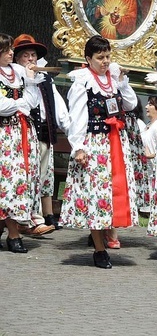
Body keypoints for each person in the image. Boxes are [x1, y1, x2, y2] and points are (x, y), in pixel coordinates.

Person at [62, 35, 139, 269]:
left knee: (111, 193)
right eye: (100, 57)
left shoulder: (114, 79)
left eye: (107, 56)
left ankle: (105, 235)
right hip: (94, 144)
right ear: (88, 58)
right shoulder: (83, 81)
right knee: (95, 195)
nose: (105, 61)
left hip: (115, 142)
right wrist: (78, 147)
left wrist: (124, 81)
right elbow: (76, 116)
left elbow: (130, 104)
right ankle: (98, 248)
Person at [13, 34, 69, 234]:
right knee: (27, 177)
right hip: (22, 135)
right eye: (26, 55)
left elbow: (58, 107)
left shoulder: (44, 78)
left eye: (33, 55)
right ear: (17, 59)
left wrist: (69, 131)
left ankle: (34, 218)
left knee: (40, 177)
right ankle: (30, 219)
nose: (31, 59)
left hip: (44, 134)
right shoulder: (15, 79)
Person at [0, 33, 42, 253]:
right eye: (7, 50)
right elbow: (2, 106)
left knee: (24, 179)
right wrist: (20, 103)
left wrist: (29, 86)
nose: (11, 53)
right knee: (10, 181)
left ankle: (8, 226)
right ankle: (13, 234)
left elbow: (32, 101)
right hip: (4, 133)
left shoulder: (17, 72)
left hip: (23, 130)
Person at [142, 95, 157, 237]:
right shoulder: (149, 125)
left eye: (150, 104)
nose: (147, 107)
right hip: (147, 169)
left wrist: (146, 154)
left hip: (154, 168)